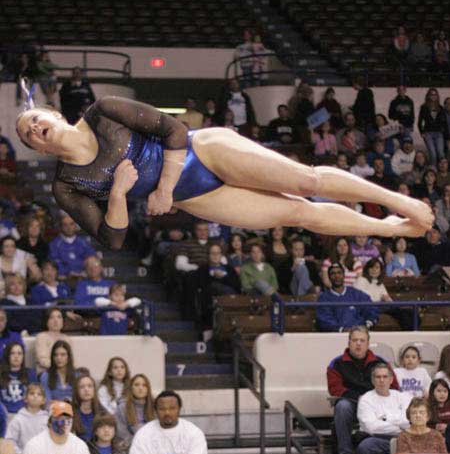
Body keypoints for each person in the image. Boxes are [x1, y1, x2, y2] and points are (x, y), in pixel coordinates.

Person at [15, 96, 434, 253]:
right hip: (195, 195)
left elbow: (174, 129)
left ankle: (398, 200)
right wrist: (121, 195)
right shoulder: (67, 184)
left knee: (306, 181)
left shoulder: (103, 111)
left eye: (34, 120)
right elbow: (113, 239)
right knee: (297, 216)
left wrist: (161, 188)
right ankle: (389, 229)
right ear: (36, 148)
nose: (34, 129)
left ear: (52, 113)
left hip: (201, 152)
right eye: (27, 135)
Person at [327, 326, 399, 454]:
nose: (358, 344)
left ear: (367, 343)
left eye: (362, 340)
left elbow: (394, 386)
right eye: (355, 340)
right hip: (352, 404)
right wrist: (361, 399)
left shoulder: (380, 362)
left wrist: (374, 399)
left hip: (378, 404)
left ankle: (389, 452)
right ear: (349, 343)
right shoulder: (336, 363)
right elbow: (335, 389)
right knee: (342, 406)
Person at [357, 363, 409, 454]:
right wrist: (398, 424)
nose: (381, 380)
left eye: (385, 376)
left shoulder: (403, 397)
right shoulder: (366, 399)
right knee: (365, 447)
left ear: (391, 379)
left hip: (404, 438)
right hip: (378, 439)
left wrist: (385, 419)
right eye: (378, 377)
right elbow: (371, 427)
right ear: (373, 380)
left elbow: (410, 422)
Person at [316, 263, 378, 332]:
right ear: (329, 277)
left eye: (339, 273)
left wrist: (367, 324)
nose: (337, 276)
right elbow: (324, 320)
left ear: (344, 275)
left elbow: (371, 308)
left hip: (359, 334)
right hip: (336, 336)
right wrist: (341, 329)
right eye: (333, 273)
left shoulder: (356, 294)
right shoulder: (324, 298)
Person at [5, 383, 48, 454]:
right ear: (25, 398)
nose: (35, 396)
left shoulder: (48, 420)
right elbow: (10, 440)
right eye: (32, 393)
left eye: (39, 394)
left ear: (43, 400)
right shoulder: (18, 419)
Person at [48, 214, 96, 279]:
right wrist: (68, 272)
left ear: (75, 226)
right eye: (65, 225)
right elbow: (55, 262)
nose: (69, 227)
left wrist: (82, 272)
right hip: (63, 277)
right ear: (61, 227)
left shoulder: (83, 243)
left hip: (82, 276)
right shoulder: (54, 244)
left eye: (71, 224)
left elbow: (92, 258)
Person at [0, 342, 37, 415]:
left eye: (19, 353)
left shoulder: (31, 373)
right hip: (5, 415)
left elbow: (35, 398)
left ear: (23, 356)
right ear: (7, 356)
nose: (16, 356)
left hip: (26, 415)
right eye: (12, 353)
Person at [116, 374, 154, 443]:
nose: (140, 388)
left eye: (144, 385)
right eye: (136, 385)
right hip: (132, 447)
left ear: (148, 388)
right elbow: (122, 434)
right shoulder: (122, 407)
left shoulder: (155, 406)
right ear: (131, 388)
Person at [418, 88, 446, 165]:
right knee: (433, 153)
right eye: (431, 94)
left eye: (435, 94)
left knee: (440, 153)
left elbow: (444, 122)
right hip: (428, 133)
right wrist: (422, 132)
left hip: (439, 133)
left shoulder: (440, 108)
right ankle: (433, 170)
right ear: (428, 96)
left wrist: (444, 132)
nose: (433, 96)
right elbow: (420, 122)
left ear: (437, 96)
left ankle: (442, 169)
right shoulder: (424, 107)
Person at [72, 375, 104, 442]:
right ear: (76, 391)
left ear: (94, 389)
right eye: (81, 387)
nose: (86, 389)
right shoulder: (70, 413)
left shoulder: (103, 413)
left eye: (90, 386)